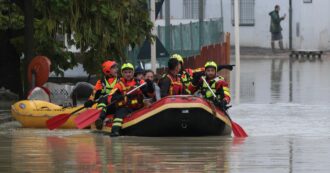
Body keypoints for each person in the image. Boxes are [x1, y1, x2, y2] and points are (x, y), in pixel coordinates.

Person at [99, 63, 154, 136]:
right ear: (122, 73)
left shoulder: (139, 82)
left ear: (133, 72)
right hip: (125, 107)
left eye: (130, 72)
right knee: (119, 114)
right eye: (125, 72)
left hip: (138, 106)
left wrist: (150, 86)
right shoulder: (119, 84)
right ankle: (115, 131)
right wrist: (117, 97)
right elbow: (110, 97)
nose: (128, 74)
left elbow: (149, 94)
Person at [84, 60, 119, 129]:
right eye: (114, 68)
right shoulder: (100, 82)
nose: (116, 69)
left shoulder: (120, 80)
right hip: (105, 107)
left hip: (115, 104)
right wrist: (90, 101)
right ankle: (100, 119)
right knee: (102, 99)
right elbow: (94, 94)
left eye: (116, 68)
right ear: (108, 70)